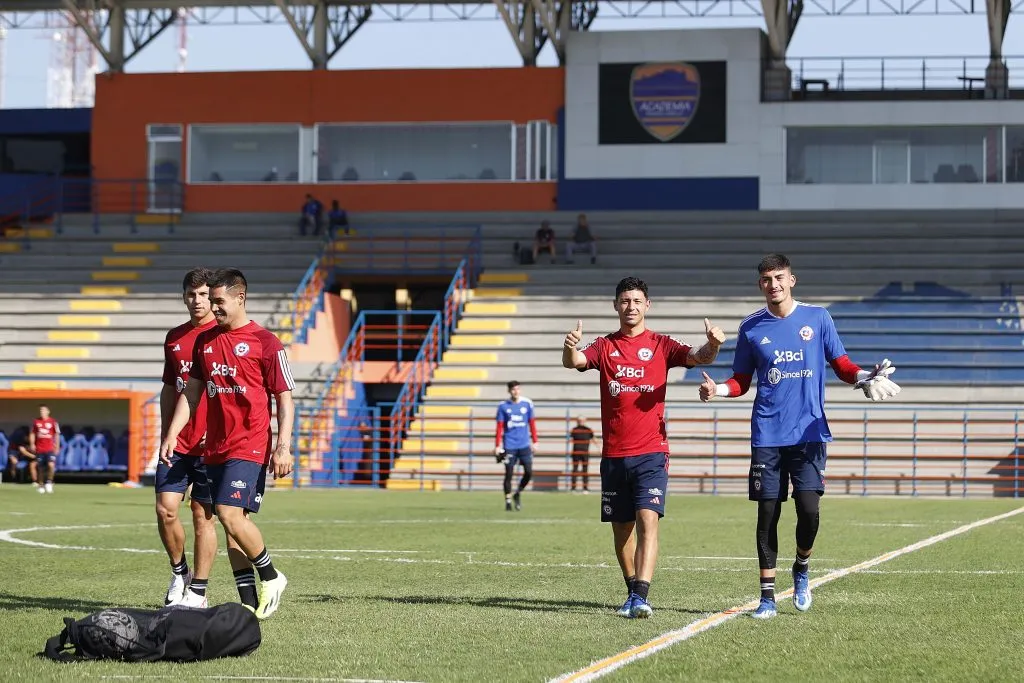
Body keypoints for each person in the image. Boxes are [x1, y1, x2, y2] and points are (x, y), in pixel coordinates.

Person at [698, 253, 901, 620]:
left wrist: (863, 378)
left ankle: (802, 567)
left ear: (792, 280)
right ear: (759, 284)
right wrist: (719, 392)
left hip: (809, 432)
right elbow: (741, 381)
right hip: (767, 435)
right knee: (768, 514)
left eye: (779, 277)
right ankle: (767, 598)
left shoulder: (818, 318)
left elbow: (841, 364)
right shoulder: (751, 327)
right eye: (766, 279)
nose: (772, 284)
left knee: (809, 511)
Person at [562, 276, 725, 618]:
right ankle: (632, 592)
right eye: (625, 301)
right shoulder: (605, 346)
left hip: (652, 451)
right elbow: (574, 363)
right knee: (622, 529)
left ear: (647, 305)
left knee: (647, 519)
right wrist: (569, 346)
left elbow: (700, 357)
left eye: (637, 301)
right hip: (613, 455)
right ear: (616, 306)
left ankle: (642, 595)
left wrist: (714, 345)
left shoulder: (662, 344)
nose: (631, 306)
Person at [160, 267, 295, 620]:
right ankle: (249, 601)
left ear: (240, 298)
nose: (213, 308)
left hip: (250, 444)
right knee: (230, 519)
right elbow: (190, 394)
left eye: (219, 301)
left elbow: (284, 398)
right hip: (214, 447)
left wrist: (284, 446)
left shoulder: (266, 343)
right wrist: (173, 432)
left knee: (229, 514)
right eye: (210, 300)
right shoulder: (205, 342)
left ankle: (271, 576)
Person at [156, 267, 219, 608]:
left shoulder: (221, 336)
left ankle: (198, 592)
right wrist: (168, 431)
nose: (197, 301)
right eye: (192, 295)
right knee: (166, 510)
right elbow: (170, 388)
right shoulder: (174, 337)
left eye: (204, 295)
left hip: (211, 445)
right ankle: (180, 572)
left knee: (201, 514)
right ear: (183, 296)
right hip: (178, 442)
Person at [494, 380, 537, 511]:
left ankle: (517, 492)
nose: (515, 391)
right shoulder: (503, 406)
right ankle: (507, 501)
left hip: (524, 445)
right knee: (509, 474)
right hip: (509, 445)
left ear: (520, 390)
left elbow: (532, 424)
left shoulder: (527, 404)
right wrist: (497, 445)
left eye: (517, 389)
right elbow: (499, 427)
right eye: (513, 389)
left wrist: (535, 441)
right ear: (509, 391)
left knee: (529, 472)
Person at [30, 405, 60, 494]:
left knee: (51, 465)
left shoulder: (53, 422)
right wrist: (32, 444)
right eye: (40, 411)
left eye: (43, 410)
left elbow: (57, 434)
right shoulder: (36, 421)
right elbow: (32, 433)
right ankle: (41, 485)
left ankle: (49, 482)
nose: (42, 412)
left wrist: (57, 446)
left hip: (49, 448)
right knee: (40, 468)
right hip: (40, 449)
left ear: (48, 411)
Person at [569, 416, 595, 493]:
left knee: (585, 470)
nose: (580, 421)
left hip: (585, 453)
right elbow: (569, 439)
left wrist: (599, 448)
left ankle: (585, 488)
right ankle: (573, 488)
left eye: (582, 420)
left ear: (585, 421)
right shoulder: (574, 430)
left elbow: (593, 438)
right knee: (575, 470)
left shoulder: (588, 430)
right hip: (576, 453)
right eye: (579, 420)